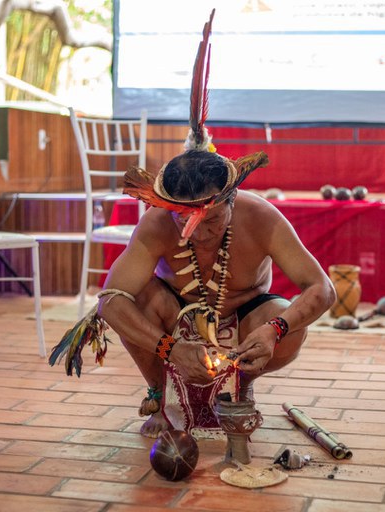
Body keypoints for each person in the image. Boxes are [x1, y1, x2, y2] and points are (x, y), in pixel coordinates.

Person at [96, 148, 336, 437]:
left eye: (211, 221)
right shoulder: (156, 222)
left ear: (232, 201)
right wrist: (170, 350)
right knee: (136, 300)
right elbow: (109, 301)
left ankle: (241, 387)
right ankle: (159, 395)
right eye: (183, 220)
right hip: (176, 322)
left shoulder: (261, 217)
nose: (198, 233)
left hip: (245, 321)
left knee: (287, 322)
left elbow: (322, 288)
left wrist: (274, 330)